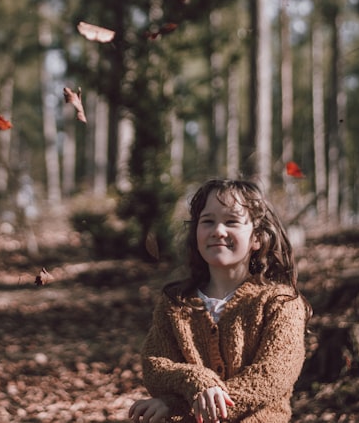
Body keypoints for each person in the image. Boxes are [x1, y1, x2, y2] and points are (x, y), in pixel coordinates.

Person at [128, 178, 310, 423]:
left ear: (257, 238)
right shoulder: (176, 303)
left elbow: (272, 376)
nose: (218, 231)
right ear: (196, 232)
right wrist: (195, 384)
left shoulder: (281, 303)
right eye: (208, 221)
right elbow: (155, 365)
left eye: (232, 221)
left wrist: (183, 407)